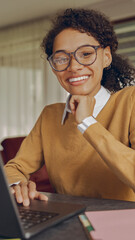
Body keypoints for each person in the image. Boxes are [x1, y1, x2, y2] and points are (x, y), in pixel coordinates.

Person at [4, 8, 135, 206]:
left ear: (106, 57)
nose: (73, 66)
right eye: (62, 58)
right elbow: (15, 167)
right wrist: (18, 184)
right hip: (65, 224)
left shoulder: (130, 101)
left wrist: (87, 123)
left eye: (86, 54)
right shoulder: (50, 115)